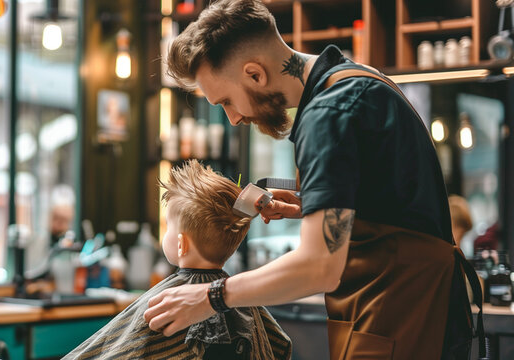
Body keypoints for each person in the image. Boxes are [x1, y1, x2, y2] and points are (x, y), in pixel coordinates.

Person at [144, 1, 477, 359]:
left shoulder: (328, 114)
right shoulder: (358, 80)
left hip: (399, 321)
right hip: (419, 312)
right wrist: (312, 207)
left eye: (227, 101)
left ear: (255, 74)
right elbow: (396, 210)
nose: (234, 119)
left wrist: (212, 297)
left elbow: (319, 269)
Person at [64, 160, 291, 359]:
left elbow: (121, 350)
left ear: (181, 244)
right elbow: (280, 345)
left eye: (167, 227)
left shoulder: (169, 300)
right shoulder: (243, 300)